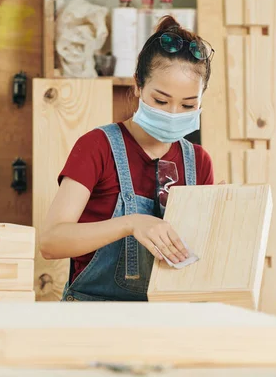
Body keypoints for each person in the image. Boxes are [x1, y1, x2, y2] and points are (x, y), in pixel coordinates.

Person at [39, 15, 215, 302]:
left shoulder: (199, 162)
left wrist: (221, 219)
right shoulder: (97, 147)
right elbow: (51, 242)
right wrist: (131, 223)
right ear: (137, 85)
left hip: (168, 320)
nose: (172, 113)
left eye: (188, 105)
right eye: (160, 100)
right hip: (91, 319)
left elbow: (200, 261)